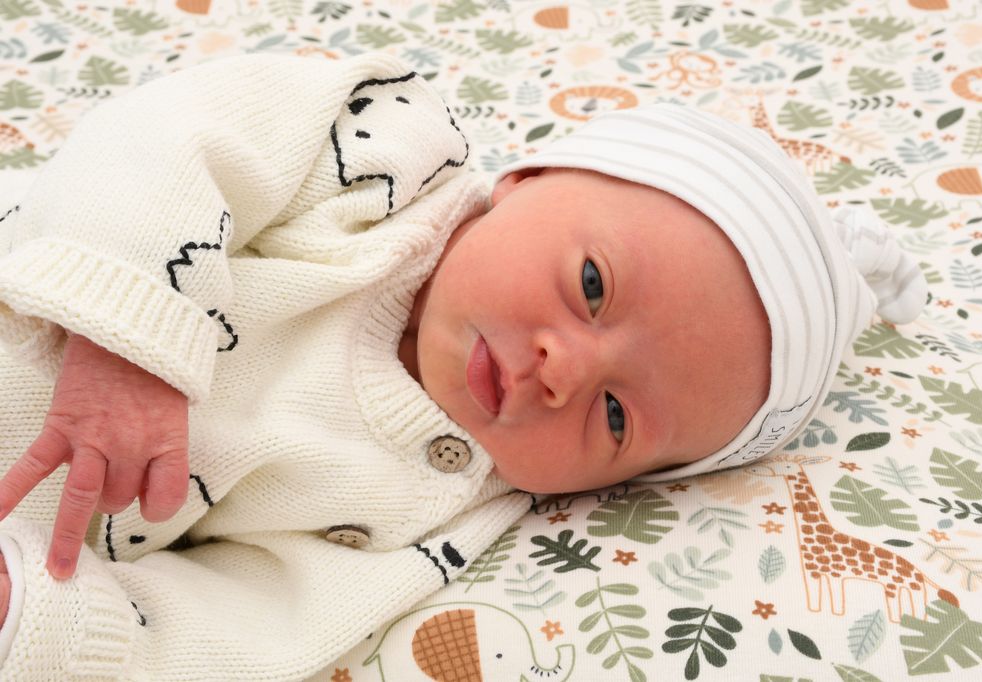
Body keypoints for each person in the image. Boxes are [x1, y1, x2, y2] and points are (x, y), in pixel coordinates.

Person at [0, 50, 925, 679]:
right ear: (523, 183)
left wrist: (39, 617)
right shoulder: (381, 155)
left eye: (615, 417)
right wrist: (127, 340)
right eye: (592, 285)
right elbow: (171, 136)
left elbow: (259, 620)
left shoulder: (437, 506)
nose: (565, 371)